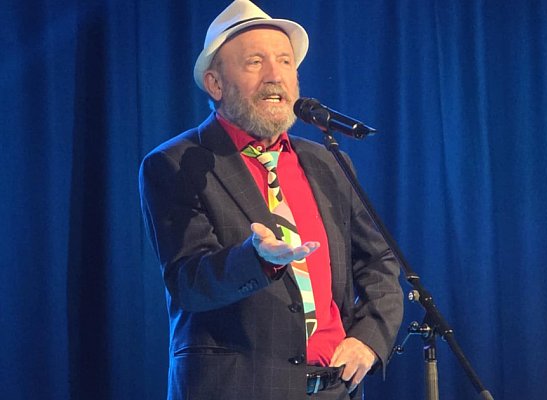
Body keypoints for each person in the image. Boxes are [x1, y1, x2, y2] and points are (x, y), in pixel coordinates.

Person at [139, 1, 403, 399]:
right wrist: (257, 258)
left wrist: (369, 339)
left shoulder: (327, 162)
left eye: (285, 62)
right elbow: (189, 282)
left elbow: (379, 262)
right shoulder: (176, 164)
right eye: (254, 62)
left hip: (334, 389)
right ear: (215, 83)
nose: (275, 76)